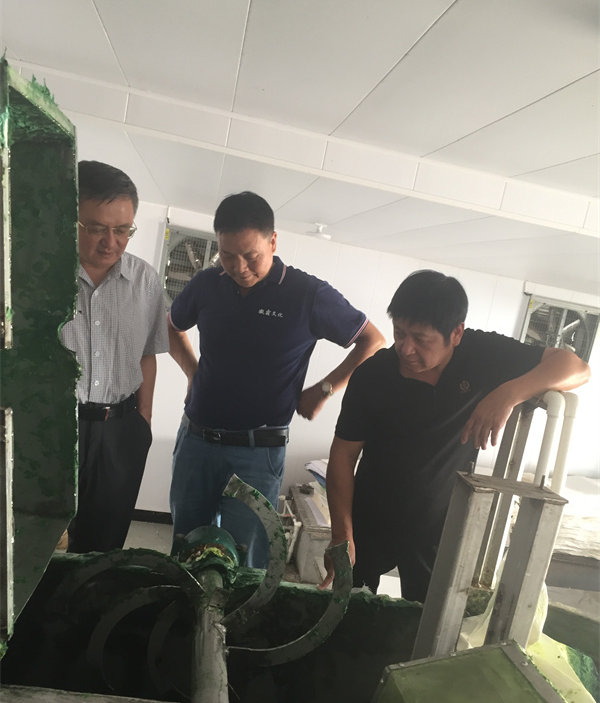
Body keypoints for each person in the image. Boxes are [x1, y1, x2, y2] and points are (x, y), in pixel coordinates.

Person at [321, 270, 591, 601]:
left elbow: (577, 368)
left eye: (421, 339)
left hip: (440, 526)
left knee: (427, 620)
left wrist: (509, 393)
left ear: (456, 333)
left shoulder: (482, 354)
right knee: (349, 609)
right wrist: (341, 533)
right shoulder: (373, 375)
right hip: (370, 517)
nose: (406, 348)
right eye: (399, 333)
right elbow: (343, 455)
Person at [167, 191, 385, 568]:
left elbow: (373, 341)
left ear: (273, 241)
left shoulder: (307, 294)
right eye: (228, 255)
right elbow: (172, 326)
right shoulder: (206, 284)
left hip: (257, 451)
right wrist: (192, 371)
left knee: (246, 558)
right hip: (196, 442)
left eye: (250, 255)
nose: (239, 267)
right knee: (187, 547)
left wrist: (325, 389)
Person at [60, 161, 169, 553]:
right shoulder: (37, 275)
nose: (111, 242)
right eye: (96, 228)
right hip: (53, 428)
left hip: (120, 431)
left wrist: (143, 421)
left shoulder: (146, 281)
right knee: (38, 537)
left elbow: (147, 354)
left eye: (123, 229)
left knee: (103, 548)